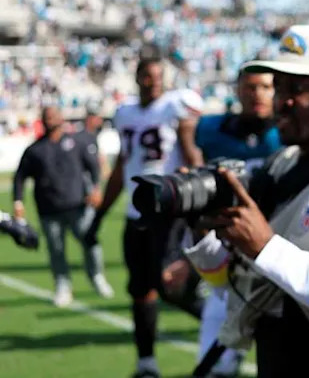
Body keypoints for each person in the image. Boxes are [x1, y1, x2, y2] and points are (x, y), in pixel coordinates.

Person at [188, 24, 309, 378]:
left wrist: (266, 247)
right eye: (279, 87)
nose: (280, 101)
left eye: (299, 89)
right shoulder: (278, 167)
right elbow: (231, 285)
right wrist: (206, 235)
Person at [86, 57, 205, 378]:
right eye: (147, 76)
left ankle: (220, 321)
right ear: (137, 77)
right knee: (140, 289)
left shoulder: (174, 107)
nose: (153, 82)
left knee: (171, 286)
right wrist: (98, 217)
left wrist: (199, 199)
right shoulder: (125, 113)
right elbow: (123, 166)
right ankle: (146, 362)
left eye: (157, 76)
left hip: (169, 212)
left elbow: (191, 154)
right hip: (135, 213)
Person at [172, 69, 282, 378]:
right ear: (237, 89)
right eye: (249, 86)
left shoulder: (289, 133)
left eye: (265, 86)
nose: (257, 93)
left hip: (282, 247)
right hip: (228, 251)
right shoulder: (210, 130)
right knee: (216, 359)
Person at [12, 106, 113, 307]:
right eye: (46, 117)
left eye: (53, 116)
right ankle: (62, 285)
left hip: (78, 206)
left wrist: (95, 189)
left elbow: (93, 166)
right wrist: (18, 201)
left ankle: (97, 276)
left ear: (61, 117)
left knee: (90, 241)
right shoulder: (34, 150)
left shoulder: (75, 142)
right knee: (56, 250)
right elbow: (20, 178)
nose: (50, 120)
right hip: (49, 210)